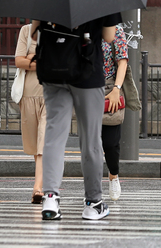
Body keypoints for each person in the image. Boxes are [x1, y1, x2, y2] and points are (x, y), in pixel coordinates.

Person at [34, 14, 121, 221]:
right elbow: (109, 36)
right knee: (90, 138)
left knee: (54, 135)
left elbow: (32, 33)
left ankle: (50, 198)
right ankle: (93, 203)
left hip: (54, 68)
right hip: (87, 70)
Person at [14, 23, 47, 204]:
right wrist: (41, 62)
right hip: (27, 95)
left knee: (44, 140)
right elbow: (19, 61)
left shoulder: (55, 29)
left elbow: (56, 61)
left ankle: (38, 188)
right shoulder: (26, 30)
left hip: (51, 95)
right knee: (35, 145)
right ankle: (44, 181)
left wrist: (32, 60)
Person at [101, 25, 129, 201]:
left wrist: (117, 89)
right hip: (87, 88)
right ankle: (92, 187)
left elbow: (122, 60)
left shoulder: (115, 29)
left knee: (111, 142)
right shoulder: (82, 27)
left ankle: (113, 176)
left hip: (110, 87)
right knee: (90, 144)